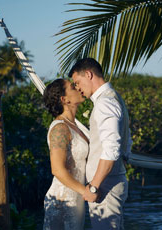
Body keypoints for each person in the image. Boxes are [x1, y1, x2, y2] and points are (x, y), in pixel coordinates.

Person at [69, 58, 132, 229]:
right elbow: (126, 140)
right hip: (109, 181)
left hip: (105, 186)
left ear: (88, 74)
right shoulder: (113, 97)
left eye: (77, 82)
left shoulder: (105, 101)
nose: (77, 88)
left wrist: (94, 187)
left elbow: (111, 149)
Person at [42, 79, 89, 230]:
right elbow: (57, 169)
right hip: (63, 201)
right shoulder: (60, 128)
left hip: (76, 200)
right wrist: (85, 191)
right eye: (72, 87)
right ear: (64, 99)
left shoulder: (74, 126)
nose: (77, 87)